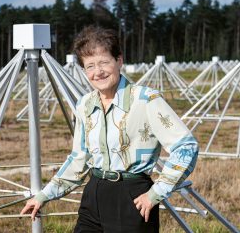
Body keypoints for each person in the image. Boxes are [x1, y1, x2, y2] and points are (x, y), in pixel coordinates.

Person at [20, 26, 199, 232]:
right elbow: (79, 159)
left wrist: (156, 193)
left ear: (119, 61)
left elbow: (186, 147)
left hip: (131, 195)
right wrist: (44, 195)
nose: (98, 72)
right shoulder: (84, 105)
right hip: (94, 192)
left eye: (104, 62)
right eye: (90, 66)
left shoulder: (146, 100)